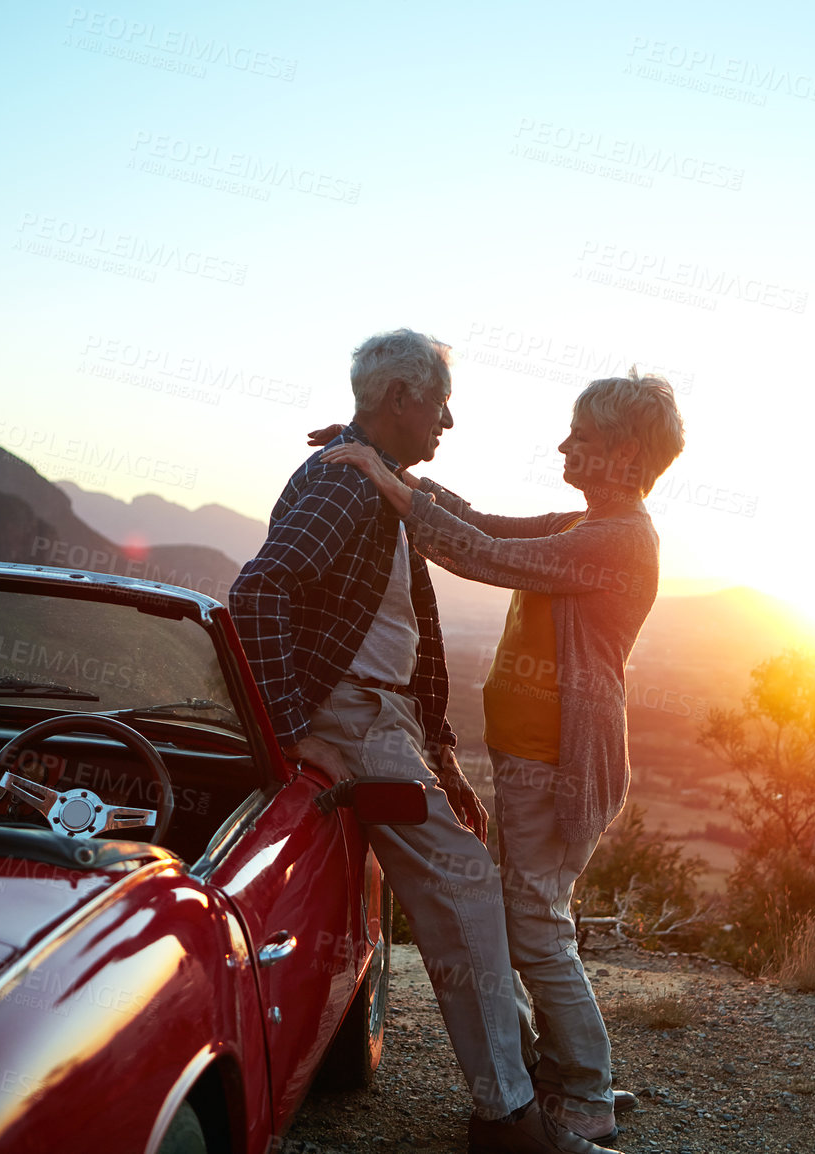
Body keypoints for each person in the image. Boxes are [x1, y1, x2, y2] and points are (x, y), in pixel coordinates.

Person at [230, 329, 618, 1154]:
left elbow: (440, 587)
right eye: (440, 402)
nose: (450, 417)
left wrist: (440, 757)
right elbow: (258, 590)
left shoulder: (375, 479)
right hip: (354, 721)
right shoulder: (345, 488)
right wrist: (294, 731)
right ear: (402, 399)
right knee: (468, 886)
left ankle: (520, 1091)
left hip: (386, 722)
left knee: (467, 879)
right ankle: (510, 1113)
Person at [319, 371, 685, 1145]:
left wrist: (383, 478)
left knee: (537, 930)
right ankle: (559, 1078)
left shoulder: (617, 540)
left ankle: (584, 1092)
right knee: (532, 921)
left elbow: (476, 554)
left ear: (623, 454)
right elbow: (480, 521)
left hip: (561, 768)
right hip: (534, 762)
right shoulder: (587, 522)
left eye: (580, 438)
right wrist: (391, 465)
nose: (563, 446)